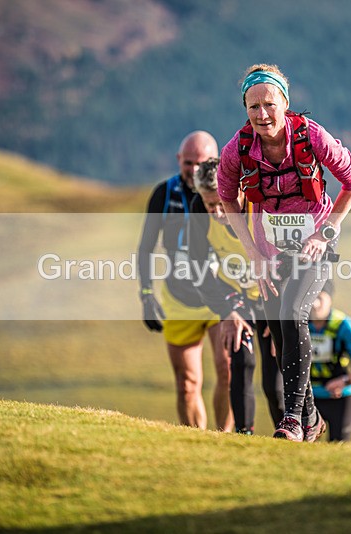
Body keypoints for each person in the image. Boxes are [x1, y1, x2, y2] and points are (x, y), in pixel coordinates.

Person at [217, 64, 351, 442]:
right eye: (253, 107)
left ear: (285, 101)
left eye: (269, 104)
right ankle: (311, 418)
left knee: (292, 311)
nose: (262, 114)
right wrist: (252, 252)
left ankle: (293, 420)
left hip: (315, 244)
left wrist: (328, 230)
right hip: (270, 252)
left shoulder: (312, 136)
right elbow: (226, 197)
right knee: (282, 334)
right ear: (245, 108)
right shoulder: (237, 149)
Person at [137, 131, 233, 431]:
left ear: (215, 162)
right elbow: (145, 248)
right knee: (187, 383)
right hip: (179, 298)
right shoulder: (164, 194)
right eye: (187, 162)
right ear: (178, 160)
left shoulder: (227, 194)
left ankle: (227, 441)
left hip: (221, 297)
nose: (192, 169)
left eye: (200, 163)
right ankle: (197, 442)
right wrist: (146, 295)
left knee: (228, 371)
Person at [188, 157, 284, 434]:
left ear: (238, 189)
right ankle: (244, 434)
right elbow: (198, 268)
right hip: (234, 295)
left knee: (274, 377)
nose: (218, 212)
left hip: (271, 294)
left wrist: (284, 318)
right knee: (241, 362)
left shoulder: (259, 205)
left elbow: (288, 259)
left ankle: (289, 434)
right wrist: (226, 311)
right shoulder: (197, 212)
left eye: (222, 202)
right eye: (210, 205)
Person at [308, 279, 351, 442]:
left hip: (341, 397)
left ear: (330, 299)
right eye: (311, 297)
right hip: (309, 397)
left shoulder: (344, 325)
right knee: (306, 448)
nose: (315, 304)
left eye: (320, 298)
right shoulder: (299, 323)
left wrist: (343, 381)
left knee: (339, 446)